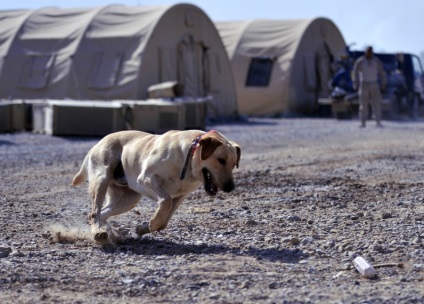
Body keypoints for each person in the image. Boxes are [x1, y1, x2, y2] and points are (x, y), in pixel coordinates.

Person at [352, 46, 387, 127]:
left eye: (370, 51)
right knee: (363, 104)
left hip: (374, 83)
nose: (369, 53)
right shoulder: (360, 61)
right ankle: (362, 122)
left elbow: (382, 73)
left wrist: (383, 83)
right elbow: (355, 73)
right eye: (367, 51)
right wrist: (355, 83)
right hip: (364, 84)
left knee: (376, 103)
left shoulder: (376, 61)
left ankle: (378, 121)